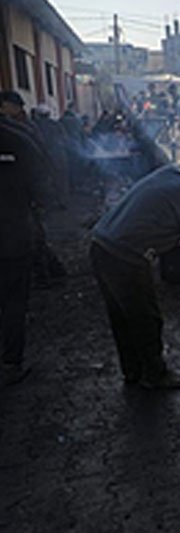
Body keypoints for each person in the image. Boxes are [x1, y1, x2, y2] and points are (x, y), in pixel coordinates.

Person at [90, 161, 180, 389]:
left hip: (101, 245)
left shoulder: (174, 172)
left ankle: (133, 371)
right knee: (146, 318)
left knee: (121, 316)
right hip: (126, 255)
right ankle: (155, 376)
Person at [0, 115, 51, 385]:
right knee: (13, 300)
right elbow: (42, 188)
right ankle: (10, 364)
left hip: (13, 234)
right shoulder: (19, 138)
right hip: (13, 236)